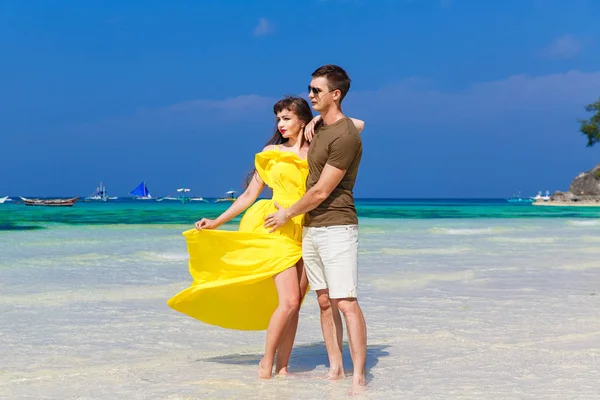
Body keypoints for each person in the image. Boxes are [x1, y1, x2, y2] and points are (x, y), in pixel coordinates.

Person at [167, 96, 364, 379]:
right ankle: (266, 363)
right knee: (289, 301)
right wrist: (217, 221)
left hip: (305, 226)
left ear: (302, 119)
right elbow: (248, 195)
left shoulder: (319, 145)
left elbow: (358, 124)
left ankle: (283, 368)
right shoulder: (271, 151)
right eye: (278, 119)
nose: (281, 124)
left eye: (287, 118)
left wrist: (319, 120)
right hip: (273, 226)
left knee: (297, 303)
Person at [264, 65, 367, 389]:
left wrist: (285, 215)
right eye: (310, 89)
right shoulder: (319, 129)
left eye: (317, 91)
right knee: (323, 300)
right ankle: (336, 367)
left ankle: (360, 375)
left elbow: (322, 191)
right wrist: (316, 119)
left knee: (345, 301)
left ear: (335, 94)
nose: (310, 95)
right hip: (311, 227)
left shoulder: (346, 135)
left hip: (337, 225)